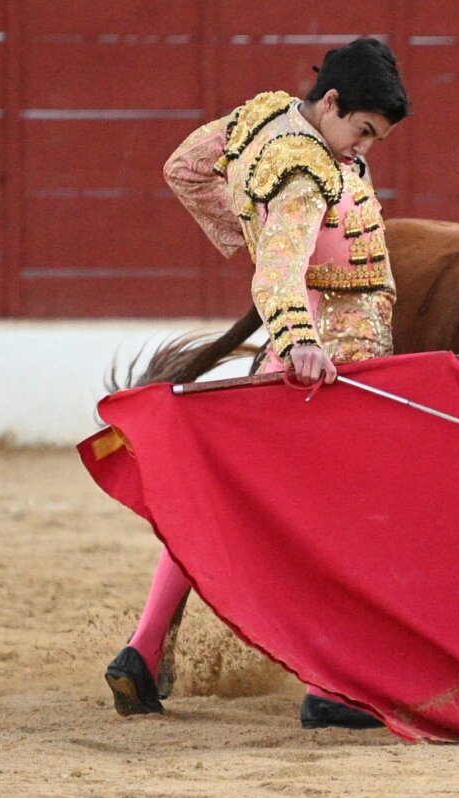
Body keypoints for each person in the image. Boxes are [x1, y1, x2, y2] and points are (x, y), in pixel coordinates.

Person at [104, 37, 410, 729]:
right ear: (331, 103)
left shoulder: (266, 117)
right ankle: (331, 686)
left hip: (299, 347)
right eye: (363, 130)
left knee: (223, 502)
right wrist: (299, 335)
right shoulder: (305, 170)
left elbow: (186, 168)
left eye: (376, 139)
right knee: (342, 515)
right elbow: (278, 272)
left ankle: (143, 650)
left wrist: (248, 226)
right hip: (331, 358)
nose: (365, 149)